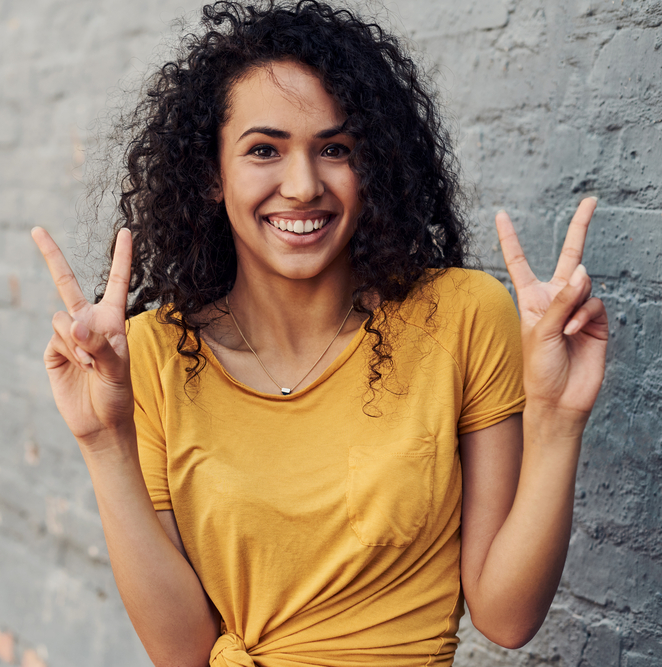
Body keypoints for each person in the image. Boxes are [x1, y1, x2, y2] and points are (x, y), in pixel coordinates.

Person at [30, 1, 608, 665]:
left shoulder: (463, 316)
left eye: (334, 148)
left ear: (373, 167)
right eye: (263, 150)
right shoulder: (152, 356)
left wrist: (558, 420)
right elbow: (180, 650)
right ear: (212, 175)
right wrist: (104, 441)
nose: (302, 185)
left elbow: (506, 616)